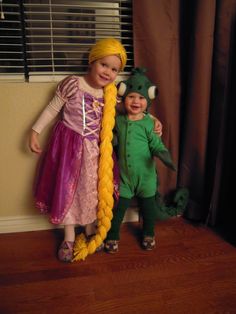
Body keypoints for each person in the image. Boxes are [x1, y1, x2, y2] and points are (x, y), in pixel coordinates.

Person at [29, 39, 163, 262]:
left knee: (93, 190)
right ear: (93, 61)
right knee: (68, 191)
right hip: (69, 149)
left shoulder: (111, 94)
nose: (108, 72)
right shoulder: (72, 84)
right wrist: (35, 131)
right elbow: (53, 107)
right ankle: (69, 236)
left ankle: (91, 229)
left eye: (114, 69)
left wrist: (153, 118)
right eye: (104, 65)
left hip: (96, 151)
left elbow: (132, 109)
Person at [104, 67, 176, 253]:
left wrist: (163, 153)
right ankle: (112, 236)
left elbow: (155, 144)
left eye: (141, 98)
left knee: (148, 209)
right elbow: (114, 138)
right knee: (118, 209)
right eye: (131, 97)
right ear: (123, 98)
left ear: (148, 100)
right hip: (125, 178)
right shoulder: (118, 121)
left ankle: (148, 233)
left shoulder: (148, 123)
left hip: (146, 177)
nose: (136, 101)